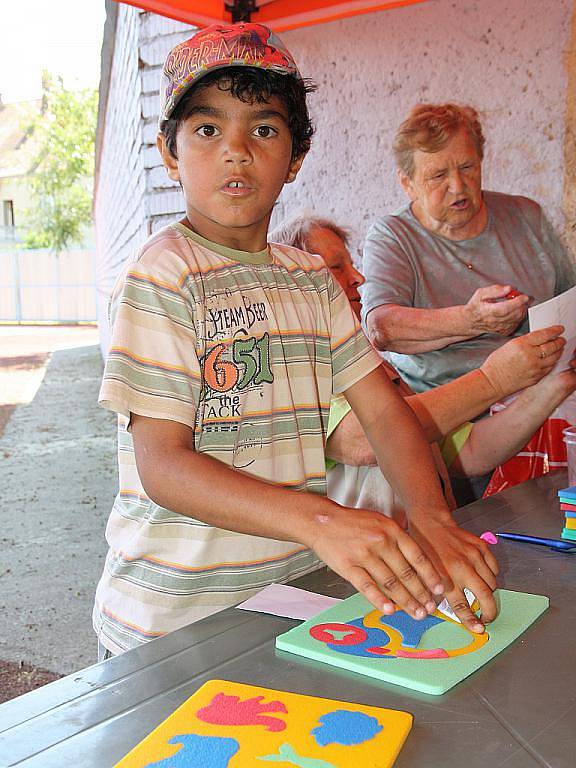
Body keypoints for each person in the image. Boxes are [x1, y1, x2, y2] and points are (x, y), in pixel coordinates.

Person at [94, 23, 497, 659]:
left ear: (297, 155)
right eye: (207, 130)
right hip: (171, 622)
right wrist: (322, 520)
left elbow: (387, 416)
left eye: (263, 129)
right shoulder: (163, 273)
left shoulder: (312, 280)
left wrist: (432, 517)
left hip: (285, 602)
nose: (236, 151)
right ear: (169, 154)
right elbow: (163, 465)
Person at [269, 214, 576, 522]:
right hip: (358, 567)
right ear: (292, 286)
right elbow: (363, 440)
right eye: (337, 267)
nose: (358, 277)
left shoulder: (376, 370)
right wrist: (493, 379)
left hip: (418, 555)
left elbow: (468, 452)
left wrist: (554, 385)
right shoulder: (293, 372)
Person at [361, 102, 576, 395]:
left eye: (467, 167)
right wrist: (472, 320)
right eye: (438, 175)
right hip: (450, 405)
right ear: (408, 183)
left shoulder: (527, 216)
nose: (458, 186)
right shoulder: (394, 236)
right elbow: (381, 328)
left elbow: (570, 298)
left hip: (543, 394)